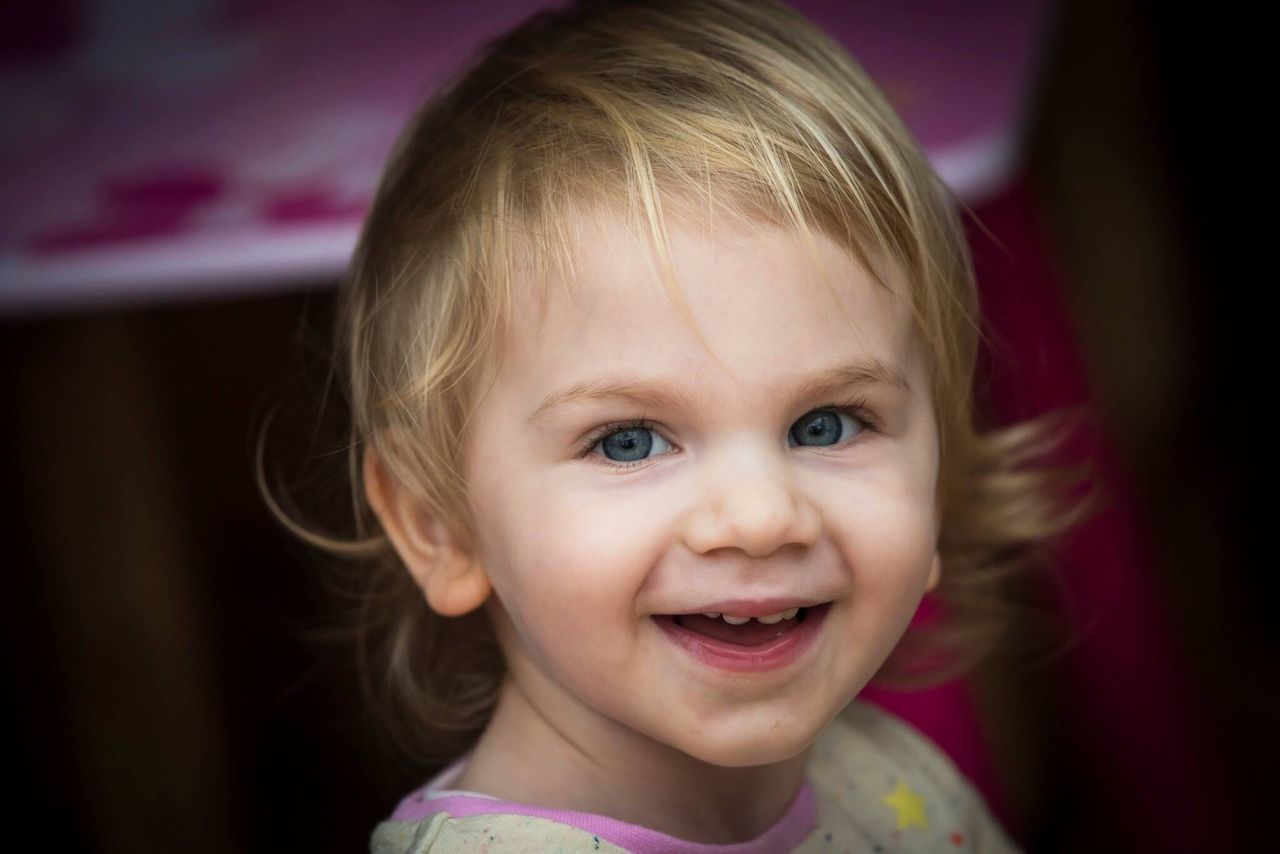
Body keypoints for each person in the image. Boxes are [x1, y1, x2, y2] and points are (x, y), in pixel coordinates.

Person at [268, 0, 1091, 849]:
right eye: (630, 441)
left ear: (937, 474)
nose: (762, 517)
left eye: (827, 425)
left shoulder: (898, 787)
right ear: (440, 525)